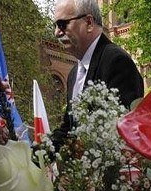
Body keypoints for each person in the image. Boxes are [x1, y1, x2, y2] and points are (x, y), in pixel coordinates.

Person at [51, 0, 144, 148]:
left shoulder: (116, 61)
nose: (57, 33)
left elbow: (123, 130)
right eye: (54, 26)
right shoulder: (74, 74)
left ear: (88, 22)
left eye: (62, 24)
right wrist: (36, 154)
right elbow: (69, 128)